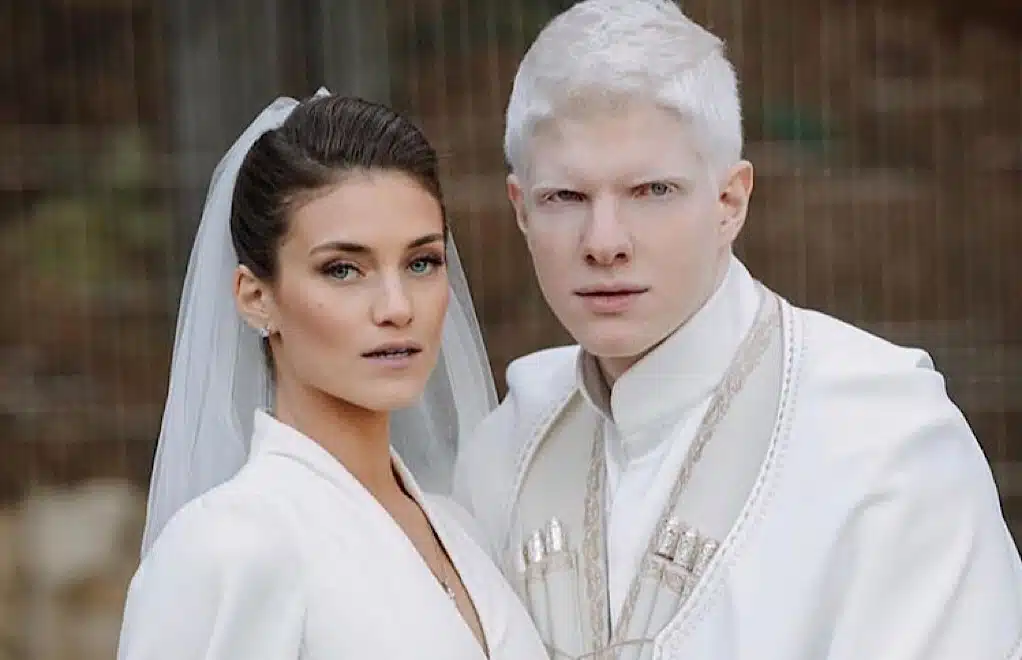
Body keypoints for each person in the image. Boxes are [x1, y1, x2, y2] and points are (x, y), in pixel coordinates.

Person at [453, 1, 1022, 659]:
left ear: (730, 201)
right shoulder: (507, 449)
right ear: (521, 210)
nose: (603, 242)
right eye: (565, 198)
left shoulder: (886, 438)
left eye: (652, 191)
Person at [116, 90, 547, 659]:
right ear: (255, 298)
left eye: (421, 263)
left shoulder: (461, 531)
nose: (397, 307)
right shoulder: (230, 546)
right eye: (343, 270)